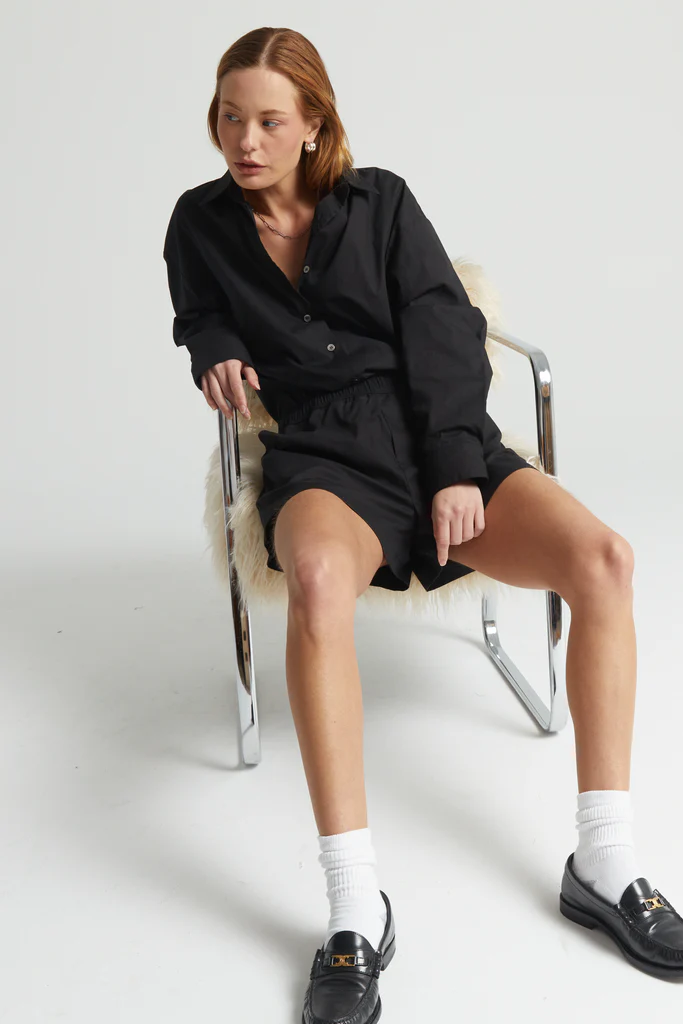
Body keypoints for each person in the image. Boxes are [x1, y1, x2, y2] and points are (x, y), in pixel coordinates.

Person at [163, 26, 683, 1019]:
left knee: (603, 559)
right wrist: (215, 349)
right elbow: (197, 314)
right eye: (230, 116)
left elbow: (445, 326)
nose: (245, 137)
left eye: (269, 118)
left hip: (430, 437)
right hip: (319, 456)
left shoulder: (380, 202)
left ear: (313, 122)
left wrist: (453, 463)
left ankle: (603, 865)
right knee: (317, 585)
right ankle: (354, 911)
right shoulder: (198, 223)